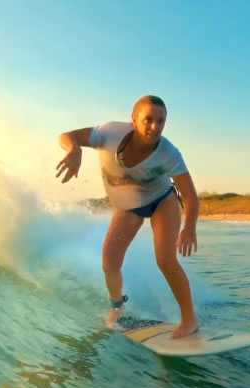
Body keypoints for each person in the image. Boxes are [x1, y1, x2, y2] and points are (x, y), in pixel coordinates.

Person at [55, 95, 200, 339]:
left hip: (162, 201)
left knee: (165, 259)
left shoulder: (169, 153)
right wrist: (74, 148)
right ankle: (117, 307)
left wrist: (190, 228)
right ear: (134, 119)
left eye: (161, 121)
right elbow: (67, 135)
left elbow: (190, 195)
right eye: (148, 119)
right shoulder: (108, 134)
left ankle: (190, 320)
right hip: (128, 207)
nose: (155, 126)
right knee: (109, 263)